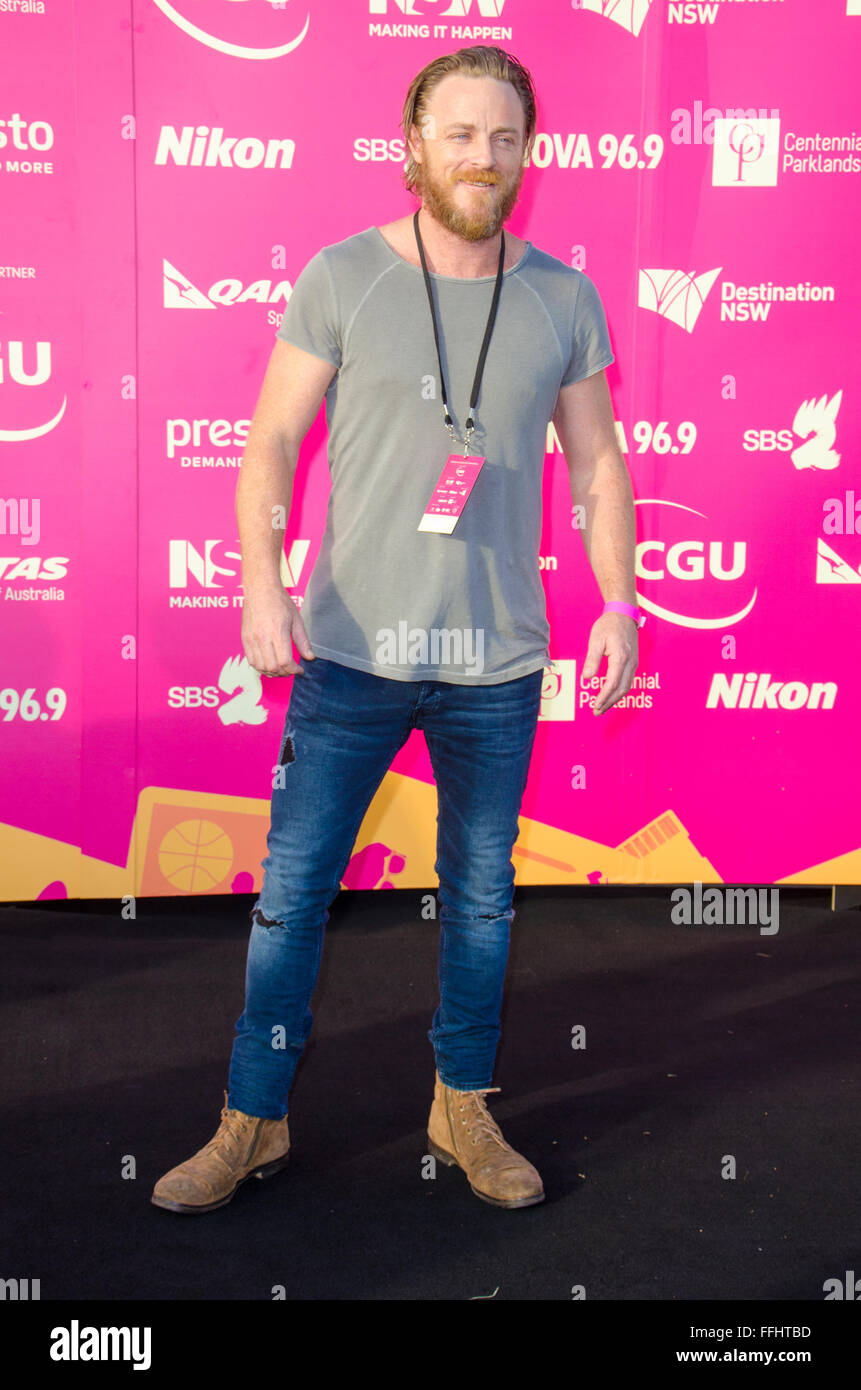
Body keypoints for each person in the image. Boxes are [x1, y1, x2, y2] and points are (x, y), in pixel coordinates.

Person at [152, 44, 639, 1217]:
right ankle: (252, 1118)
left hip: (499, 665)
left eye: (506, 137)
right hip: (352, 655)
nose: (485, 157)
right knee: (293, 894)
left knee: (477, 898)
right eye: (462, 133)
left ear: (530, 152)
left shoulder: (563, 296)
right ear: (414, 143)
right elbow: (271, 442)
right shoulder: (343, 276)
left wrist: (619, 597)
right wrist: (262, 585)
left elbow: (600, 460)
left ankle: (461, 1101)